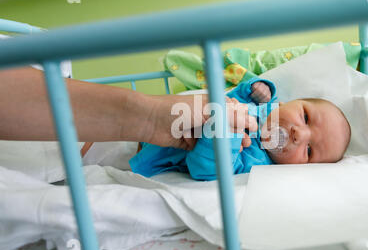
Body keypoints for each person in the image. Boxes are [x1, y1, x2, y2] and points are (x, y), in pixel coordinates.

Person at [129, 77, 352, 181]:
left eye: (309, 151)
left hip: (159, 149)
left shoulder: (258, 164)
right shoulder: (263, 106)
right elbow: (231, 96)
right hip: (169, 116)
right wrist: (255, 89)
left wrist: (230, 131)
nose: (300, 134)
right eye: (305, 117)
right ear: (284, 103)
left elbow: (205, 169)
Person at [0, 66, 257, 151]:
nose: (297, 133)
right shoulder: (253, 105)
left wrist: (149, 116)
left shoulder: (255, 155)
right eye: (300, 114)